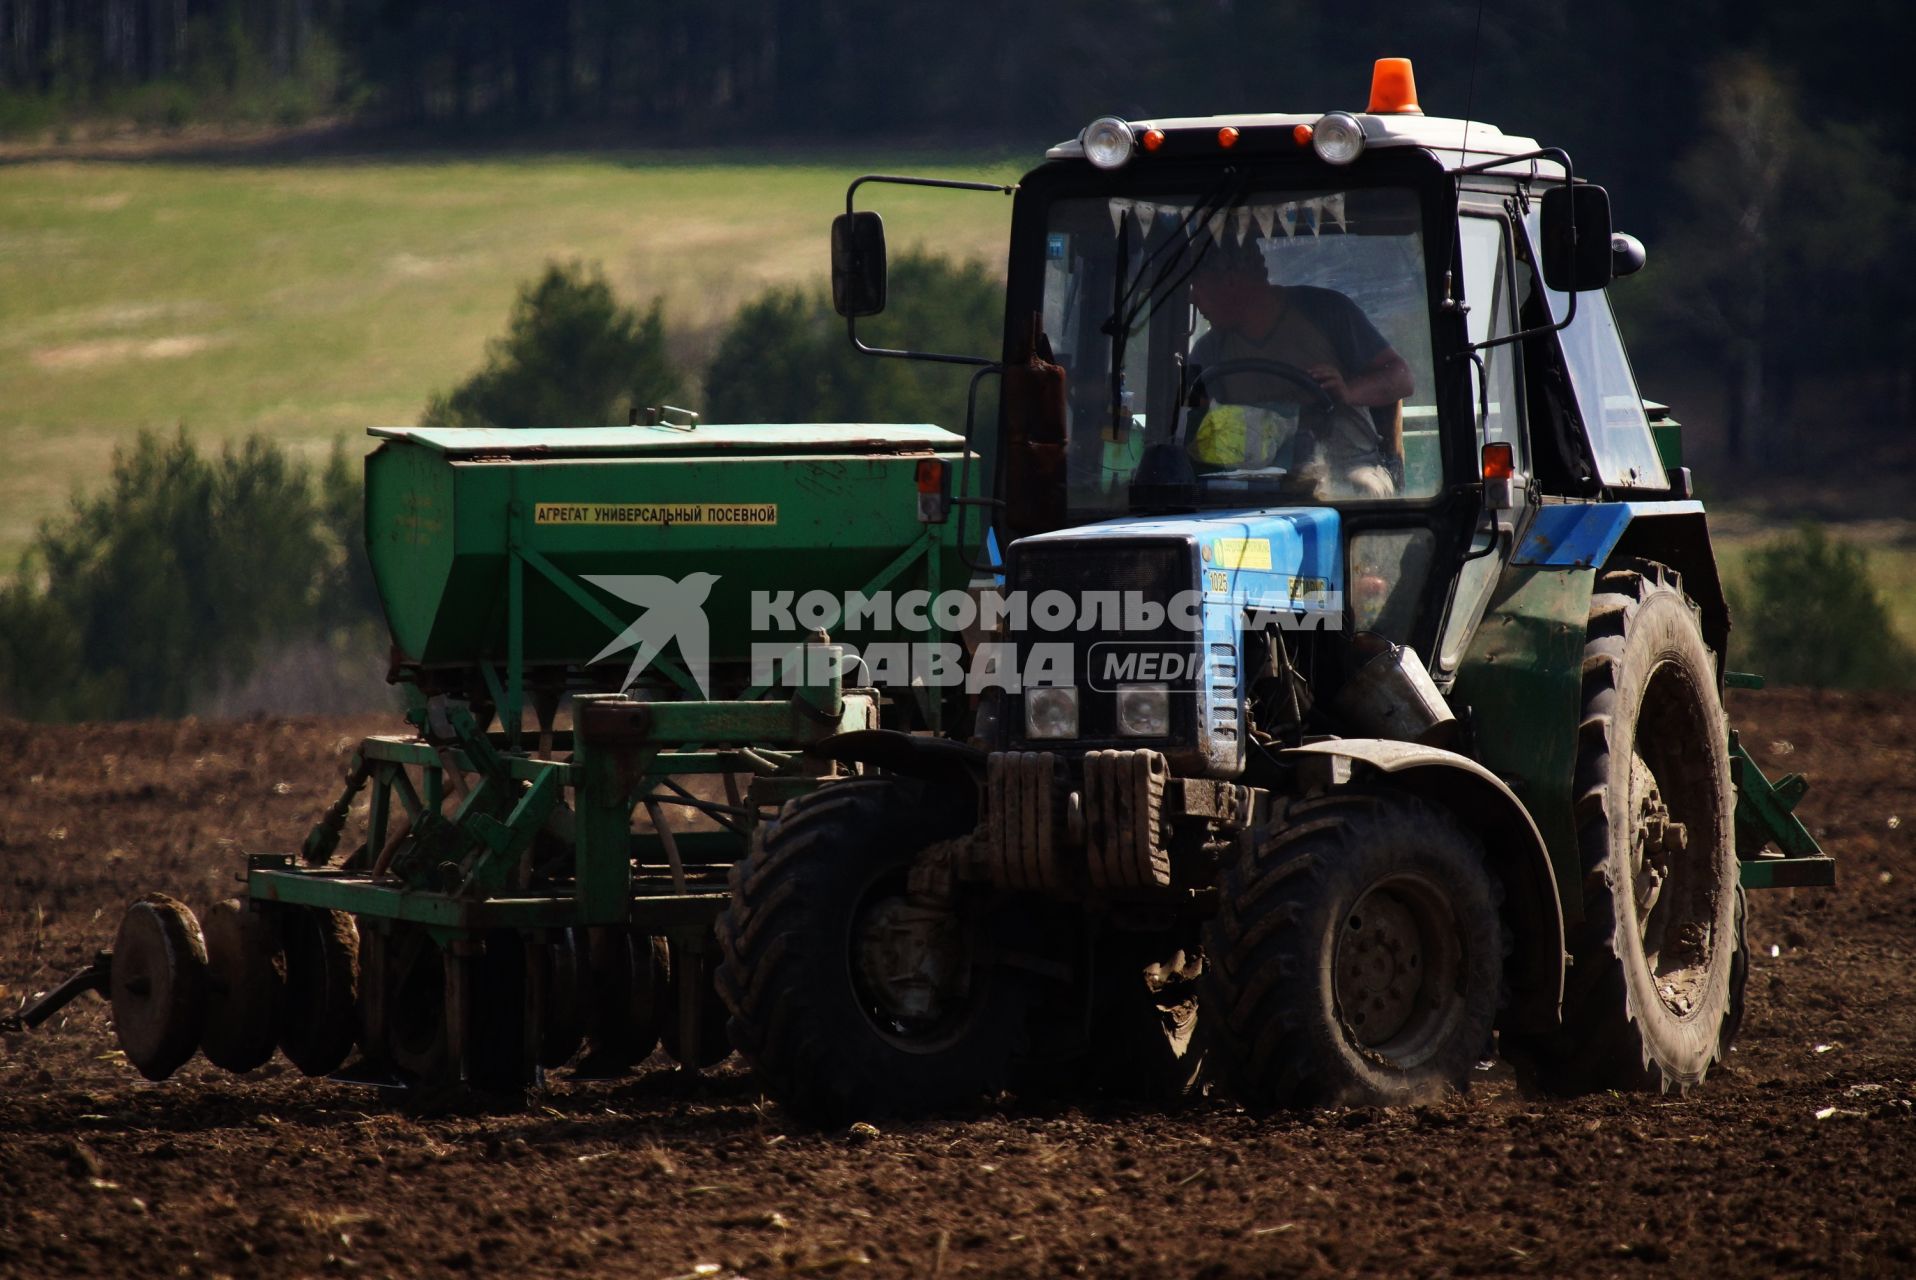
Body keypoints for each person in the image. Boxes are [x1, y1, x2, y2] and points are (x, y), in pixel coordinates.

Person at [1184, 236, 1414, 498]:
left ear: (1230, 282)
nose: (1192, 297)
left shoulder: (1326, 313)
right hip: (1254, 481)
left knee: (1359, 488)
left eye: (1197, 285)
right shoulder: (1208, 352)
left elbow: (1401, 377)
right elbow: (1190, 429)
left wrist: (1348, 391)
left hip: (1345, 466)